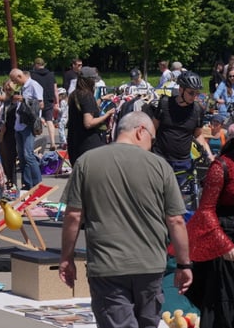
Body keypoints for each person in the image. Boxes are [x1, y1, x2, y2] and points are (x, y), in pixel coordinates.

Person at [59, 111, 192, 328]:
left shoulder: (87, 162)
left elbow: (73, 215)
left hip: (107, 265)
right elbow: (176, 220)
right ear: (140, 131)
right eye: (152, 139)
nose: (152, 145)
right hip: (150, 265)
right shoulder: (160, 166)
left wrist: (66, 257)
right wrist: (184, 264)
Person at [185, 107, 234, 326]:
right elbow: (206, 210)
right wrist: (223, 244)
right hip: (231, 247)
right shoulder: (222, 166)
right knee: (227, 304)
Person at [147, 71, 214, 169]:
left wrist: (209, 155)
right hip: (160, 158)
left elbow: (198, 135)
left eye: (197, 93)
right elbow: (153, 128)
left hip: (182, 162)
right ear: (181, 90)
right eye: (191, 93)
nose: (194, 96)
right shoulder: (165, 103)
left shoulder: (198, 110)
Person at [67, 66, 115, 166]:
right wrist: (107, 114)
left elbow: (88, 109)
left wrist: (101, 99)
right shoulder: (87, 96)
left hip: (74, 141)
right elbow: (88, 123)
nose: (94, 83)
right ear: (88, 80)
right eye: (93, 80)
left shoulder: (74, 95)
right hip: (88, 143)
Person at [9, 68, 43, 190]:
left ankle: (38, 183)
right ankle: (27, 184)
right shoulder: (23, 87)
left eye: (14, 80)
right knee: (22, 157)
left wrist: (24, 100)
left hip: (28, 125)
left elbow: (40, 104)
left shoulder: (34, 85)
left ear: (19, 76)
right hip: (19, 125)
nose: (14, 83)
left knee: (28, 155)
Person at [31, 58, 59, 148]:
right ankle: (53, 143)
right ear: (44, 64)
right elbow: (55, 90)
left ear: (36, 64)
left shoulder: (32, 75)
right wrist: (57, 102)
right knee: (49, 120)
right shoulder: (51, 75)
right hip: (49, 100)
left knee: (35, 120)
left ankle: (33, 143)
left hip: (37, 100)